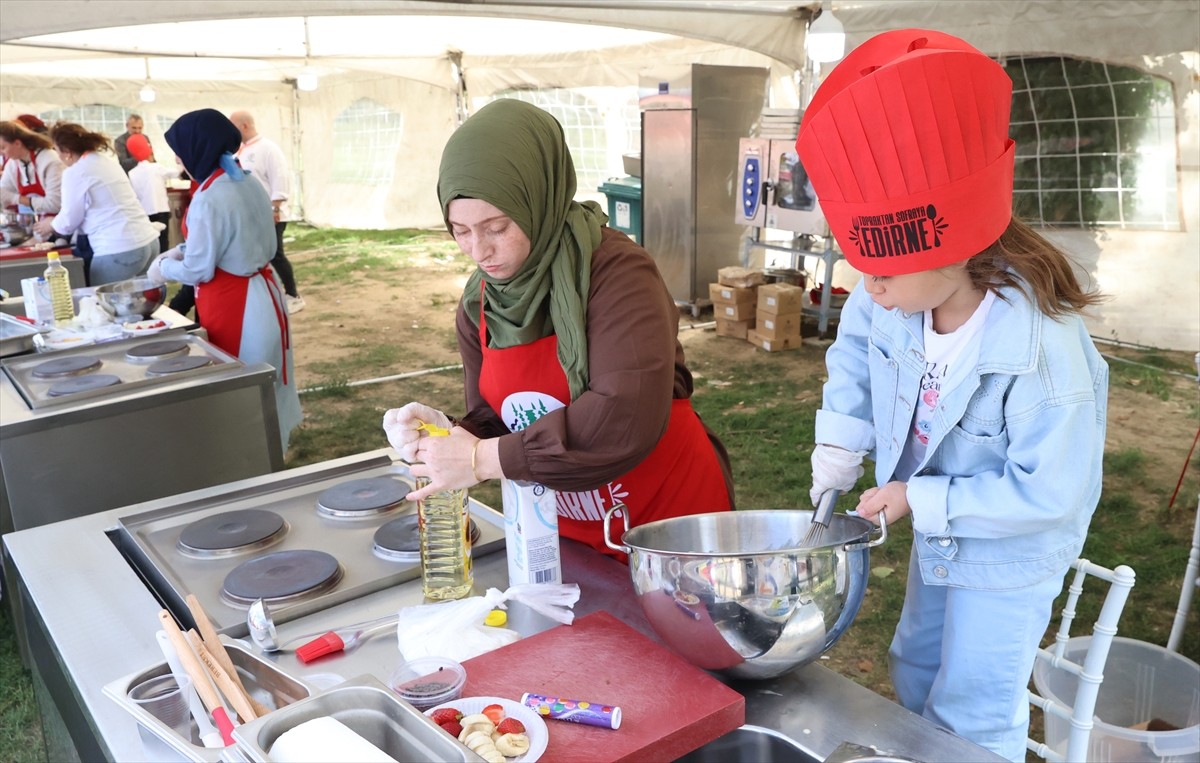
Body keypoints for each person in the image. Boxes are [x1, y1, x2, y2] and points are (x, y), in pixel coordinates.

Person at [795, 30, 1108, 762]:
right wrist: (841, 442)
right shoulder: (889, 289)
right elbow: (854, 353)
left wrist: (917, 500)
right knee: (915, 669)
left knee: (973, 709)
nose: (865, 289)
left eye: (881, 277)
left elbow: (1050, 494)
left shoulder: (1044, 353)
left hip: (1008, 553)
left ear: (952, 249)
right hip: (941, 529)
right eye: (861, 271)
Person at [382, 99, 734, 559]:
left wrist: (483, 460)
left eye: (496, 226)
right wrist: (449, 435)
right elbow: (498, 416)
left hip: (668, 523)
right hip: (564, 528)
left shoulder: (617, 275)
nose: (479, 251)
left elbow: (621, 416)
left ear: (537, 198)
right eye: (460, 230)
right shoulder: (481, 301)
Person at [149, 108, 302, 451]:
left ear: (196, 148)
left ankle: (249, 451)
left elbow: (199, 269)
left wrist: (165, 266)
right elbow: (232, 239)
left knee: (242, 377)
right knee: (266, 372)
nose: (177, 157)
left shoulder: (209, 195)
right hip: (264, 290)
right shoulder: (245, 179)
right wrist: (183, 250)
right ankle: (270, 443)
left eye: (179, 149)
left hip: (236, 301)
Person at [32, 122, 158, 285]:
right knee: (141, 305)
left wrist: (50, 224)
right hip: (148, 242)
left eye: (56, 151)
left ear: (67, 152)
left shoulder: (75, 172)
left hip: (118, 248)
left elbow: (68, 221)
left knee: (103, 305)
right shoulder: (106, 161)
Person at [228, 110, 303, 313]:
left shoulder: (268, 148)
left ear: (244, 126)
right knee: (260, 257)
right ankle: (269, 296)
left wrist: (275, 208)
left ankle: (293, 295)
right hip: (250, 214)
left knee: (276, 254)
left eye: (233, 126)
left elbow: (280, 180)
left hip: (270, 213)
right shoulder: (240, 151)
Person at [0, 120, 63, 215]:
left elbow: (55, 204)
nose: (0, 153)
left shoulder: (50, 160)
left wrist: (16, 198)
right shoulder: (13, 164)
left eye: (3, 148)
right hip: (29, 224)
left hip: (55, 223)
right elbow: (4, 194)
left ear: (17, 143)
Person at [126, 133, 174, 252]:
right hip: (161, 210)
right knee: (163, 242)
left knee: (150, 242)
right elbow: (176, 172)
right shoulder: (157, 168)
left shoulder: (132, 173)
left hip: (144, 212)